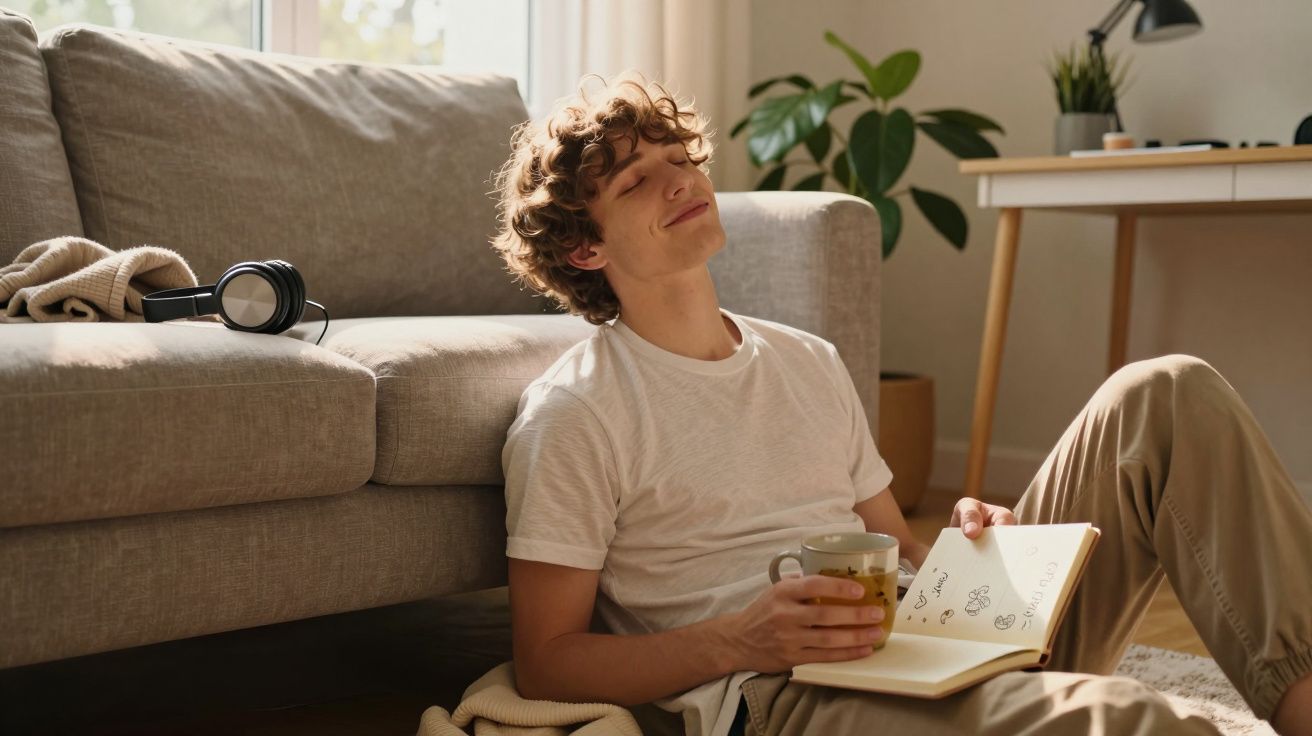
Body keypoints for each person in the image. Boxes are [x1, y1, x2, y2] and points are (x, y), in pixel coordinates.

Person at [488, 73, 1312, 736]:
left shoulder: (808, 360)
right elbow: (548, 662)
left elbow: (896, 549)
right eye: (638, 181)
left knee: (1163, 390)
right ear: (584, 247)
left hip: (935, 641)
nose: (680, 181)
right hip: (790, 694)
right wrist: (741, 637)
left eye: (678, 157)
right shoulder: (577, 413)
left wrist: (964, 544)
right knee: (1129, 720)